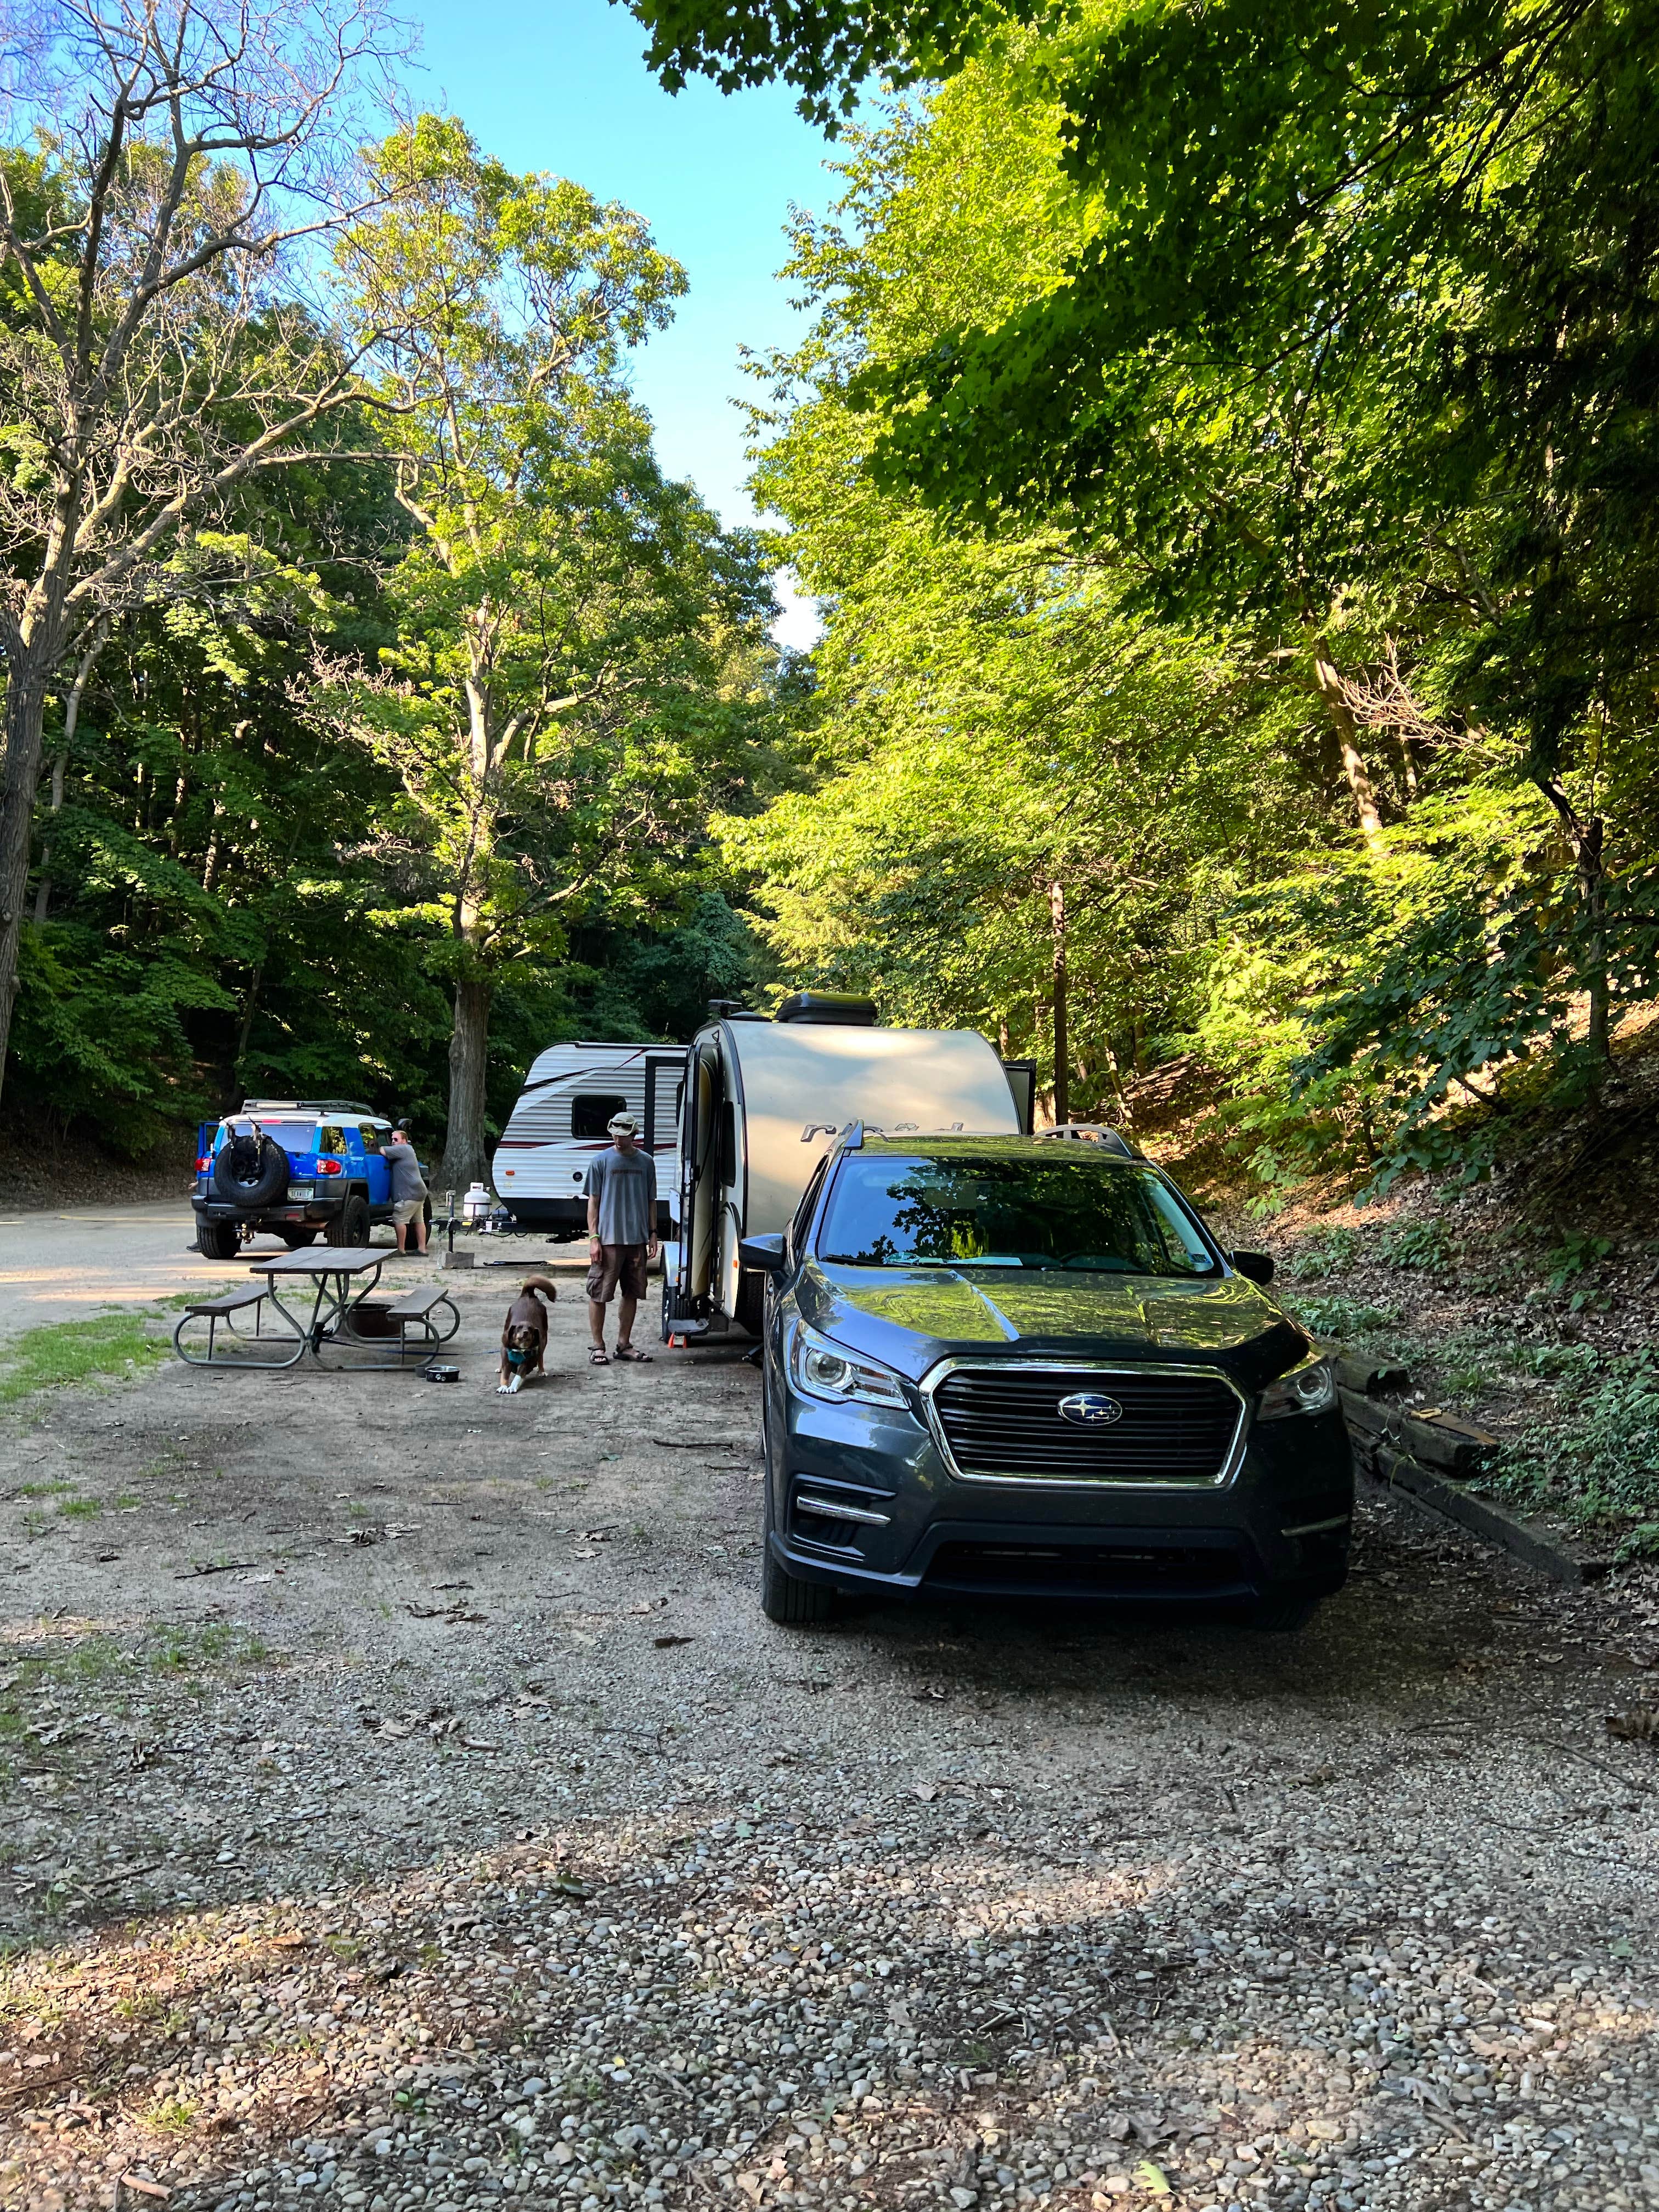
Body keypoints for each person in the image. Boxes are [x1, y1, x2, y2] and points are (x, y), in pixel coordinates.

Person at [583, 1111, 658, 1363]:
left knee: (632, 1293)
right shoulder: (600, 1161)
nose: (618, 1138)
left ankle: (624, 1345)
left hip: (636, 1240)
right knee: (599, 1293)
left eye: (624, 1135)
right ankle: (597, 1347)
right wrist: (594, 1238)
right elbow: (593, 1202)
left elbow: (651, 1201)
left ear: (634, 1135)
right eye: (615, 1133)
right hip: (608, 1240)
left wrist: (653, 1233)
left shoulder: (646, 1162)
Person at [383, 1121, 428, 1255]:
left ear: (404, 1141)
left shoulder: (404, 1149)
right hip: (419, 1192)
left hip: (409, 1194)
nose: (393, 1142)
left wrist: (373, 1146)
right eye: (392, 1140)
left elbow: (382, 1151)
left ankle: (401, 1250)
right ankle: (422, 1249)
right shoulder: (409, 1150)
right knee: (419, 1220)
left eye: (396, 1140)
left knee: (399, 1219)